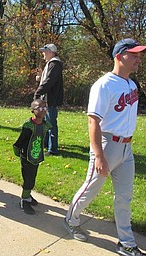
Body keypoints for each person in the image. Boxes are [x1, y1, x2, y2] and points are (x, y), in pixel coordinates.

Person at [63, 38, 146, 256]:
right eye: (134, 55)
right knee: (91, 189)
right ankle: (71, 219)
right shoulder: (104, 84)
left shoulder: (131, 84)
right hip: (107, 145)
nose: (139, 59)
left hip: (126, 148)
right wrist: (99, 155)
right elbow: (93, 121)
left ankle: (126, 242)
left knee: (124, 197)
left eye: (140, 55)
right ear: (119, 57)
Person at [13, 99, 51, 214]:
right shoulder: (28, 126)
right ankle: (24, 200)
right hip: (27, 156)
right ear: (33, 110)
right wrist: (19, 152)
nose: (43, 110)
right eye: (40, 108)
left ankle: (28, 195)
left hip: (36, 156)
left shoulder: (45, 125)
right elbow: (19, 142)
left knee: (32, 178)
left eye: (45, 108)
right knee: (28, 179)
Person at [34, 43, 63, 156]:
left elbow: (49, 81)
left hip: (51, 98)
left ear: (51, 52)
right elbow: (47, 79)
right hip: (47, 98)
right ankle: (46, 145)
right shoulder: (51, 64)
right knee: (46, 122)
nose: (43, 54)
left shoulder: (54, 64)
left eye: (44, 52)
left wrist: (38, 92)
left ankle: (53, 149)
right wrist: (41, 77)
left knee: (51, 124)